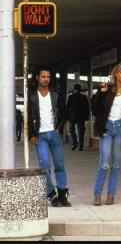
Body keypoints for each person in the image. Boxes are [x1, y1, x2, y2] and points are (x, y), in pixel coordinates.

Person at [92, 62, 121, 206]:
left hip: (120, 129)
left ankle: (111, 195)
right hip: (106, 128)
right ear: (115, 74)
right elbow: (95, 109)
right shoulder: (107, 89)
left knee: (116, 164)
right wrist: (100, 92)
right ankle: (97, 195)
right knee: (104, 163)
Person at [28, 66, 72, 207]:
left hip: (54, 134)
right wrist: (31, 134)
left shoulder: (56, 94)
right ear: (37, 77)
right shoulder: (31, 95)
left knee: (59, 165)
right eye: (43, 76)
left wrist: (59, 127)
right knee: (45, 165)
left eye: (48, 76)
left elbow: (64, 112)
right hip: (39, 135)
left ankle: (62, 194)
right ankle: (51, 194)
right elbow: (28, 116)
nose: (46, 79)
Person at [66, 84, 89, 151]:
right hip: (81, 117)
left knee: (72, 129)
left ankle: (75, 143)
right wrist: (87, 117)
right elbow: (87, 108)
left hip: (73, 116)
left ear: (74, 89)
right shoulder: (84, 97)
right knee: (81, 131)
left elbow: (68, 107)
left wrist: (67, 117)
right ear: (80, 89)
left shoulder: (71, 96)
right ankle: (81, 146)